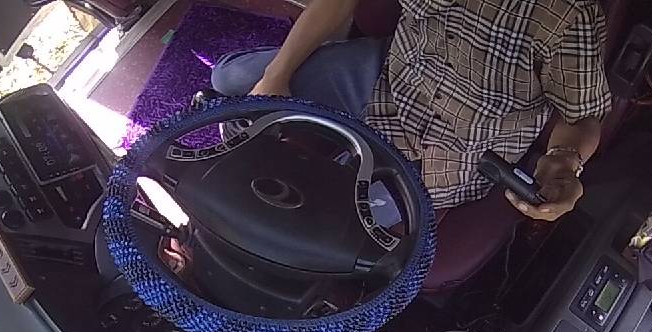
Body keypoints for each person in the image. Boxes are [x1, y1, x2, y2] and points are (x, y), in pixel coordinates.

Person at [211, 0, 612, 224]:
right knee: (229, 80)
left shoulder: (567, 14)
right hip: (390, 76)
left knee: (318, 221)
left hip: (455, 151)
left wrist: (564, 162)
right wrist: (276, 76)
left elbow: (581, 117)